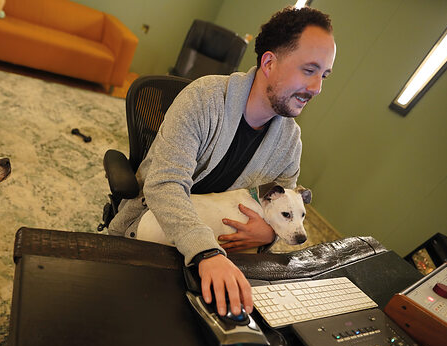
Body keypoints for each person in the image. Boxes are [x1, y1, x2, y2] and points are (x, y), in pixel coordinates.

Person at [109, 6, 336, 317]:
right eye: (309, 70)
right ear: (269, 62)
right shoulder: (203, 99)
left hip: (223, 249)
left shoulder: (290, 143)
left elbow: (282, 205)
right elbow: (164, 185)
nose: (317, 88)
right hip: (159, 226)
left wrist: (268, 234)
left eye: (324, 75)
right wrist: (205, 251)